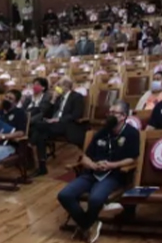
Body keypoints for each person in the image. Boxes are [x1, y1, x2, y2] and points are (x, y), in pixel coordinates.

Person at [58, 101, 140, 243]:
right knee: (64, 195)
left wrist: (112, 165)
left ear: (123, 116)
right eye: (109, 112)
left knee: (95, 199)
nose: (110, 115)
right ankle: (88, 224)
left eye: (114, 113)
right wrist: (92, 165)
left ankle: (84, 225)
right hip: (91, 172)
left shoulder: (131, 133)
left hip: (113, 174)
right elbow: (85, 156)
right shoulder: (102, 132)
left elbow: (132, 159)